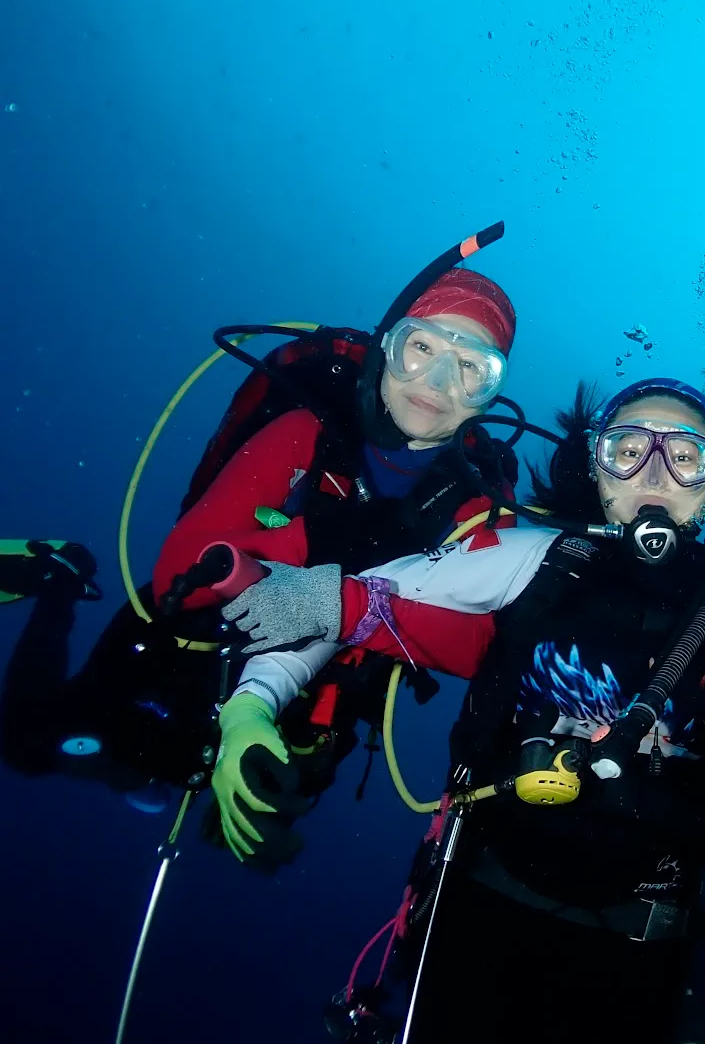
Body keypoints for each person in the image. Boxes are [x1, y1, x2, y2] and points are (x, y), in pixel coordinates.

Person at [220, 377, 705, 1042]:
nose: (654, 473)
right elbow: (333, 603)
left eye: (685, 456)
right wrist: (249, 707)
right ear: (595, 464)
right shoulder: (531, 557)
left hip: (642, 943)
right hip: (478, 911)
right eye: (627, 449)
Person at [0, 231, 522, 870]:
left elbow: (487, 643)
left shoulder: (474, 504)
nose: (438, 381)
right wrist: (333, 545)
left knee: (255, 837)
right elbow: (182, 569)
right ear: (388, 346)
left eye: (473, 368)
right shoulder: (305, 429)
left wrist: (344, 604)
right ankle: (59, 579)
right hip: (188, 651)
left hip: (313, 699)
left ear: (491, 392)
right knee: (31, 743)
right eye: (421, 348)